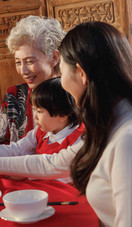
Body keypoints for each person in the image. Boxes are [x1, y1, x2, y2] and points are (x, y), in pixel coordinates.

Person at [58, 21, 132, 226]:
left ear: (81, 73)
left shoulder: (126, 140)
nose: (61, 81)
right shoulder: (110, 122)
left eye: (62, 72)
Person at [0, 77, 84, 184]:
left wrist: (25, 174)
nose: (34, 116)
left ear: (62, 115)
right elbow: (15, 150)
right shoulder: (40, 132)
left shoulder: (79, 138)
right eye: (34, 110)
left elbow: (64, 176)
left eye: (40, 111)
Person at [0, 15, 66, 144]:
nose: (23, 71)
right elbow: (0, 146)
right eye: (18, 62)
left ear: (54, 57)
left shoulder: (72, 95)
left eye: (30, 61)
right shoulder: (14, 96)